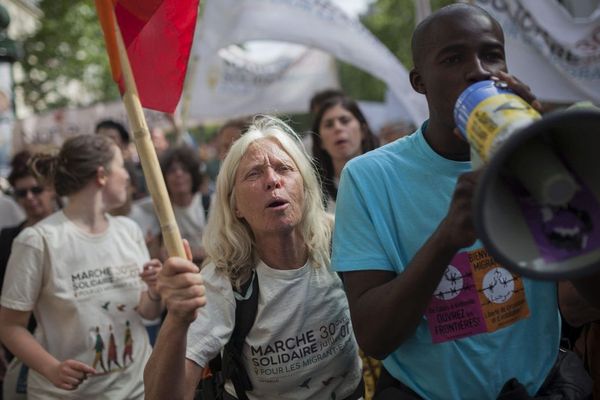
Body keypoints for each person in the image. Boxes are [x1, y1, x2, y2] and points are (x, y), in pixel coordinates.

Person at [331, 4, 599, 399]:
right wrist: (447, 238)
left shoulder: (544, 154)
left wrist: (543, 157)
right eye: (453, 58)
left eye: (491, 55)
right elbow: (375, 337)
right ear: (419, 82)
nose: (478, 70)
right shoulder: (370, 177)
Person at [144, 116, 363, 400]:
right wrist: (176, 320)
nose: (273, 180)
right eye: (254, 174)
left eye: (284, 168)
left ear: (306, 188)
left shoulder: (341, 240)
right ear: (235, 207)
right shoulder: (225, 279)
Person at [0, 134, 164, 399]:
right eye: (121, 166)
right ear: (101, 175)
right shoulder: (38, 241)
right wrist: (52, 368)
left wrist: (155, 291)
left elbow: (146, 312)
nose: (127, 176)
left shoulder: (129, 230)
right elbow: (9, 326)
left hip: (136, 389)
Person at [312, 95, 379, 212]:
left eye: (345, 121)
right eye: (329, 125)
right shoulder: (312, 196)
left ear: (363, 130)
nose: (338, 128)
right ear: (320, 141)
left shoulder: (387, 176)